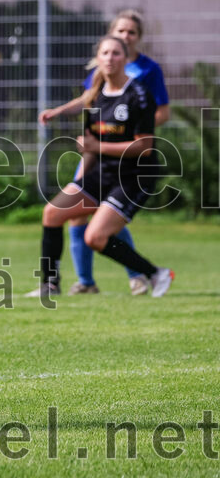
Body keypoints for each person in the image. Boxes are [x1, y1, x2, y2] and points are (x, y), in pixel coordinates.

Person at [31, 35, 172, 300]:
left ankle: (155, 273)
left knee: (95, 237)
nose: (110, 58)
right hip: (102, 172)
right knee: (52, 213)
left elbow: (144, 147)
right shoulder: (95, 94)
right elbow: (91, 142)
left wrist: (96, 148)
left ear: (125, 58)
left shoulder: (139, 95)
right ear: (98, 58)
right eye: (105, 53)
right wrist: (81, 181)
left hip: (134, 177)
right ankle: (50, 284)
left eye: (116, 53)